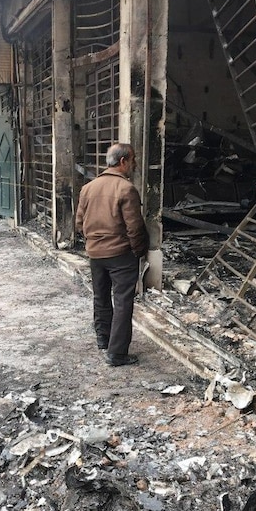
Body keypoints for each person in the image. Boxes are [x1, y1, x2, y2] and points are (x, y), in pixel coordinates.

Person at [75, 143, 149, 367]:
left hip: (95, 253)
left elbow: (79, 223)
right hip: (120, 254)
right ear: (123, 161)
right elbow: (134, 227)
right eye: (133, 159)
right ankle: (117, 353)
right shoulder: (126, 189)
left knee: (100, 297)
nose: (134, 164)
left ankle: (103, 339)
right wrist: (138, 251)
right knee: (123, 301)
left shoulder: (88, 188)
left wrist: (93, 241)